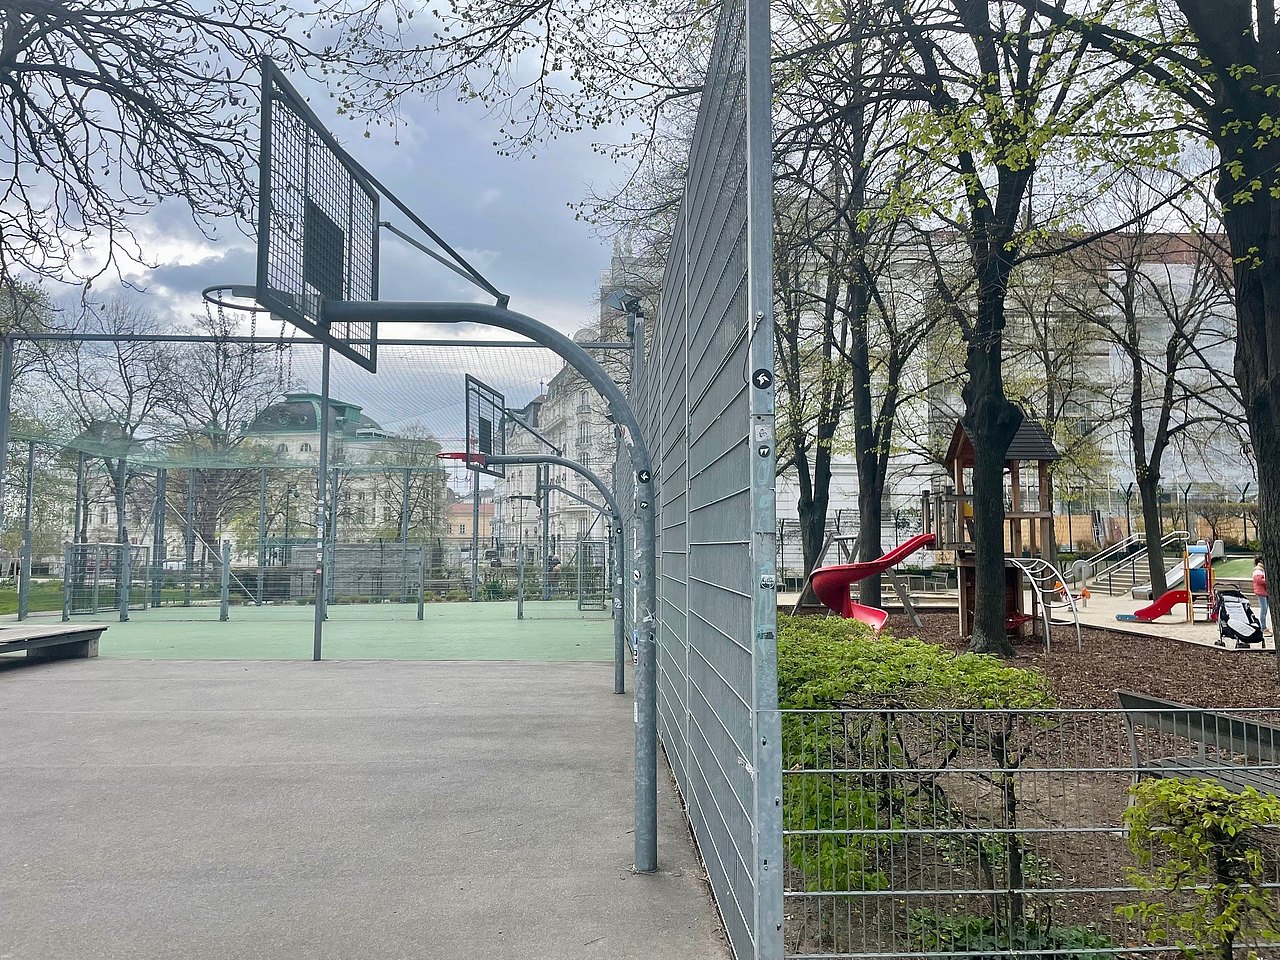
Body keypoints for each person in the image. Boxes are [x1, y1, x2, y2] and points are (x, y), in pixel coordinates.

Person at [1253, 556, 1270, 636]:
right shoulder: (1258, 570)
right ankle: (1263, 627)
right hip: (1261, 592)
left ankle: (1263, 627)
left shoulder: (1261, 570)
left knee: (1265, 610)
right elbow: (1259, 580)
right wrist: (1268, 581)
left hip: (1263, 592)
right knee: (1263, 610)